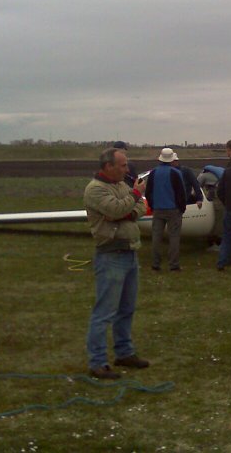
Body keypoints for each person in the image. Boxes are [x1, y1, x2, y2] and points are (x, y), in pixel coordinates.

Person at [83, 147, 150, 379]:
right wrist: (132, 198)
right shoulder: (95, 190)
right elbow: (116, 208)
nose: (127, 169)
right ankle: (97, 362)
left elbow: (140, 207)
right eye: (122, 165)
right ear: (107, 167)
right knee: (105, 311)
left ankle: (124, 352)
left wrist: (128, 208)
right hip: (110, 255)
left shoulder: (121, 186)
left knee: (126, 309)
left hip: (129, 252)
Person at [146, 147, 187, 271]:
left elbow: (148, 192)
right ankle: (173, 264)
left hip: (158, 209)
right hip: (173, 209)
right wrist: (182, 207)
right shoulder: (176, 172)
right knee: (174, 237)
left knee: (156, 237)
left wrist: (153, 205)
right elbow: (181, 192)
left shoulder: (153, 172)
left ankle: (155, 263)